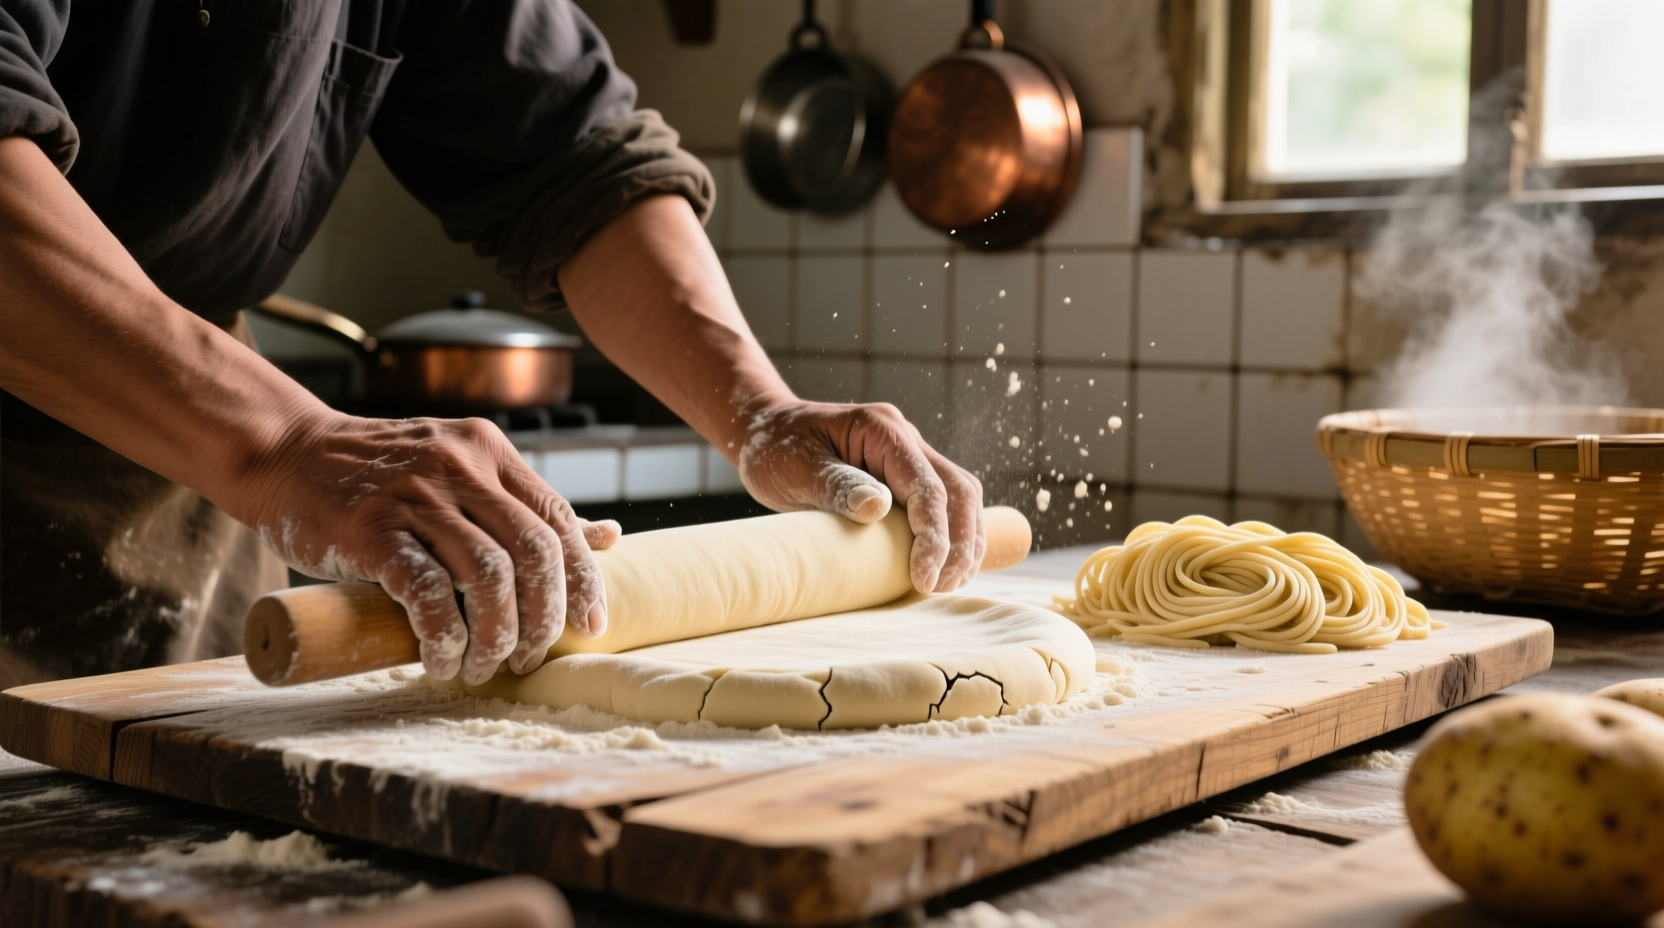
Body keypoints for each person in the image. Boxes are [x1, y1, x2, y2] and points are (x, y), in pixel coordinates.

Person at [0, 1, 984, 689]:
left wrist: (758, 409)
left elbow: (576, 161)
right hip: (152, 411)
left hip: (175, 507)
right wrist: (282, 444)